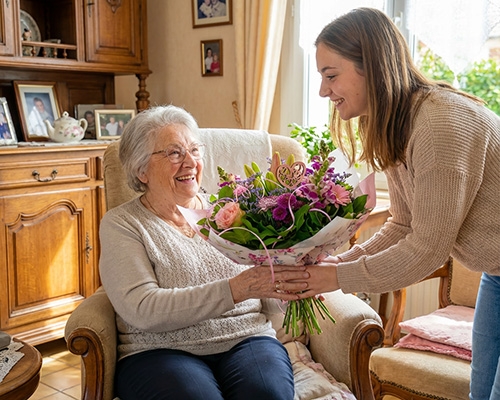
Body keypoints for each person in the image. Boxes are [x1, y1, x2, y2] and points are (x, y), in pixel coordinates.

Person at [275, 8, 500, 400]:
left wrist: (334, 279)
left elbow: (427, 250)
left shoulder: (439, 125)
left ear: (373, 69)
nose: (323, 92)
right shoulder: (400, 121)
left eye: (331, 75)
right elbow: (404, 224)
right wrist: (337, 263)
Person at [98, 105, 304, 399]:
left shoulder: (233, 211)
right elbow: (142, 309)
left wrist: (292, 283)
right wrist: (235, 289)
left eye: (195, 150)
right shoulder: (123, 224)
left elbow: (265, 285)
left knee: (267, 393)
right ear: (141, 169)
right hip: (159, 351)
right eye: (174, 153)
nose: (190, 162)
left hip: (247, 338)